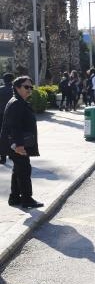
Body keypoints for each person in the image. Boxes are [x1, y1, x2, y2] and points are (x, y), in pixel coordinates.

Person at [0, 76, 44, 208]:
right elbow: (15, 126)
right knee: (24, 169)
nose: (29, 89)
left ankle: (14, 198)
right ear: (17, 88)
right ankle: (26, 199)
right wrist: (18, 145)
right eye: (26, 87)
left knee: (18, 169)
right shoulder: (17, 103)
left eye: (31, 87)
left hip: (15, 143)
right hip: (16, 144)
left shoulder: (19, 101)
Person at [0, 72, 14, 164]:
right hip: (13, 115)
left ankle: (3, 157)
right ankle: (12, 154)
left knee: (2, 135)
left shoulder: (0, 89)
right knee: (13, 135)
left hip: (1, 115)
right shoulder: (15, 89)